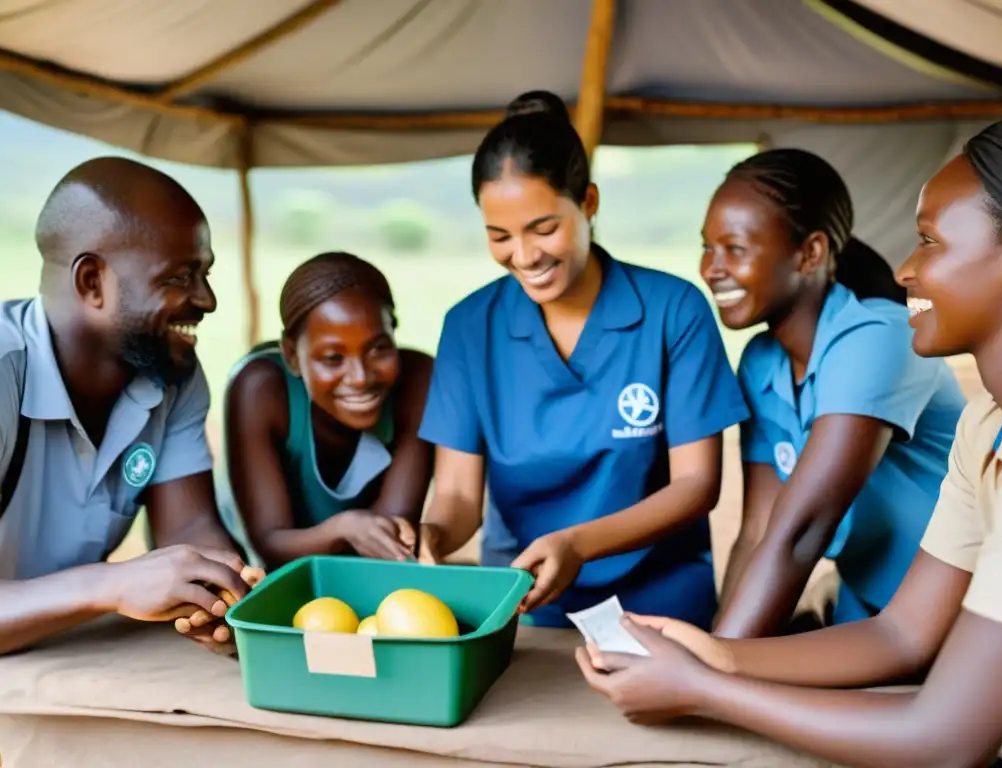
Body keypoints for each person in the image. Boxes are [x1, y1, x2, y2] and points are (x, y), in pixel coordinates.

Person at [577, 115, 1002, 768]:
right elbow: (899, 632)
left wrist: (703, 688)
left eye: (930, 242)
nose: (904, 268)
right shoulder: (989, 423)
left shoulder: (874, 338)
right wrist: (716, 654)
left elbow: (947, 738)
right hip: (898, 622)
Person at [415, 90, 750, 630]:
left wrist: (577, 544)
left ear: (589, 202)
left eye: (544, 228)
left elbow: (696, 485)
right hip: (525, 601)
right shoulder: (468, 326)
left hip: (660, 604)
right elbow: (455, 494)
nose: (524, 257)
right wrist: (432, 534)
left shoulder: (672, 310)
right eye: (499, 236)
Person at [699, 148, 966, 637]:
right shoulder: (761, 362)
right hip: (868, 608)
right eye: (707, 248)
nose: (712, 268)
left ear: (811, 253)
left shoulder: (877, 338)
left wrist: (709, 667)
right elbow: (760, 528)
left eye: (734, 248)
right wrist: (715, 642)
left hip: (962, 617)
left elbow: (804, 529)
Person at [0, 156, 259, 657]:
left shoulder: (170, 372)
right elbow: (119, 585)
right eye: (180, 277)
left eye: (204, 274)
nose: (207, 300)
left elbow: (188, 530)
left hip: (65, 657)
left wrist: (221, 594)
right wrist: (112, 585)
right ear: (92, 282)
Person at [217, 251, 434, 570]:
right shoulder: (261, 389)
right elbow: (270, 545)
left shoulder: (417, 379)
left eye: (379, 348)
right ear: (291, 355)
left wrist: (359, 531)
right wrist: (343, 529)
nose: (360, 378)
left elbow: (391, 541)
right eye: (333, 358)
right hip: (250, 573)